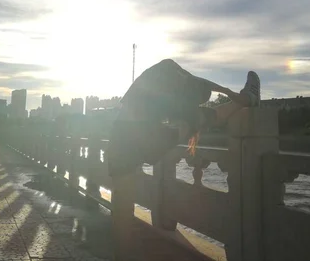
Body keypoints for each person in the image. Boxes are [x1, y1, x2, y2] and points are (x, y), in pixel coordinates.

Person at [107, 59, 260, 261]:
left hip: (119, 139)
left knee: (122, 207)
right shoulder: (181, 91)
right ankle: (250, 98)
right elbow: (209, 91)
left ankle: (122, 255)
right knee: (205, 117)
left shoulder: (167, 76)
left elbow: (206, 86)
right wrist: (236, 96)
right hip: (139, 136)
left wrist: (227, 92)